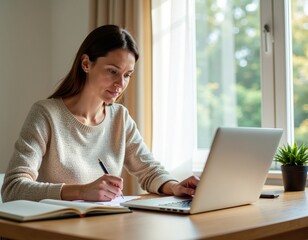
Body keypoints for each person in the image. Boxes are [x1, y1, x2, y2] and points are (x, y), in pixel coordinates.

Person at [1, 25, 199, 202]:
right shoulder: (46, 114)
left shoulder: (119, 117)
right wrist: (81, 191)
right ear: (86, 64)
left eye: (127, 75)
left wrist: (174, 186)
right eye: (112, 71)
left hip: (103, 227)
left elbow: (149, 170)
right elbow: (13, 188)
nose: (121, 84)